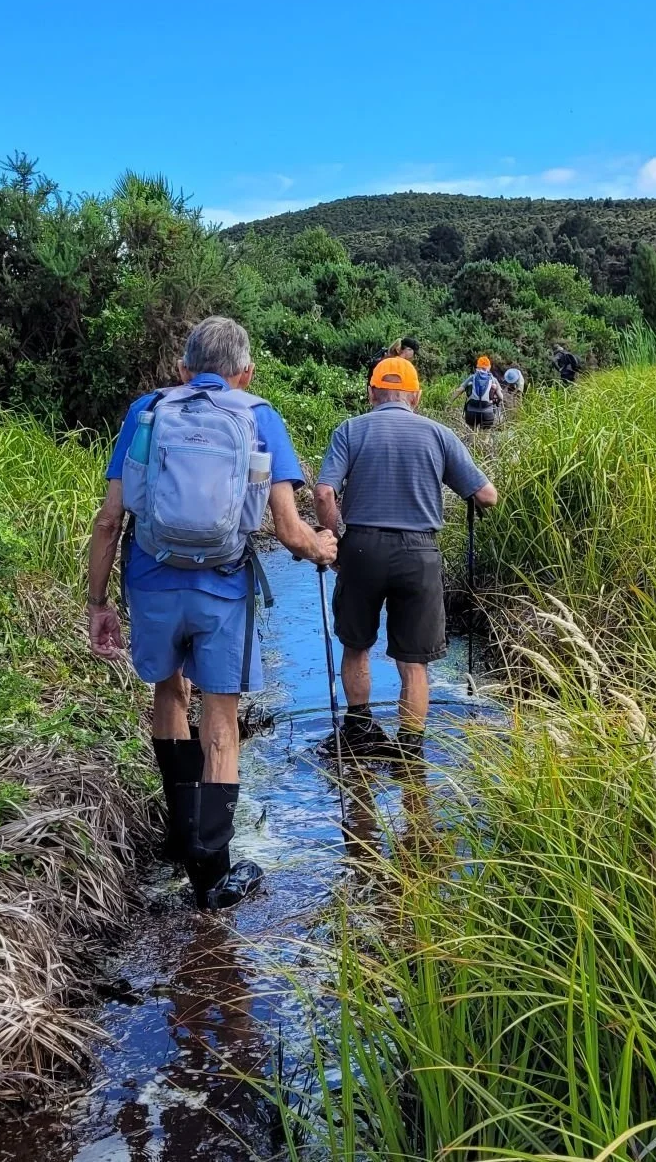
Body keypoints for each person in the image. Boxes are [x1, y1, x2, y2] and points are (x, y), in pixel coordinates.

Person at [87, 316, 337, 910]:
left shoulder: (147, 412)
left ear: (183, 370)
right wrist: (320, 545)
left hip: (150, 579)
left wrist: (97, 602)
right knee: (221, 719)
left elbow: (108, 519)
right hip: (222, 587)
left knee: (168, 693)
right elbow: (286, 527)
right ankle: (214, 871)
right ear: (245, 372)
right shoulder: (259, 415)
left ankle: (182, 833)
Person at [314, 355, 498, 760]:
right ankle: (410, 753)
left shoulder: (350, 430)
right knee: (414, 662)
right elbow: (486, 496)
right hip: (420, 553)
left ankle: (360, 730)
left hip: (361, 548)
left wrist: (336, 542)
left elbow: (325, 493)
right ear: (415, 396)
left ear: (371, 392)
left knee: (356, 645)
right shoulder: (439, 434)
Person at [454, 355, 503, 429]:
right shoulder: (493, 379)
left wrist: (449, 402)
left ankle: (473, 440)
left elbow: (459, 390)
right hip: (487, 412)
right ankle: (482, 440)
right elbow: (501, 397)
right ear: (489, 367)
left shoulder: (472, 377)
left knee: (471, 435)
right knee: (485, 437)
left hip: (471, 412)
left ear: (478, 366)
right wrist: (498, 402)